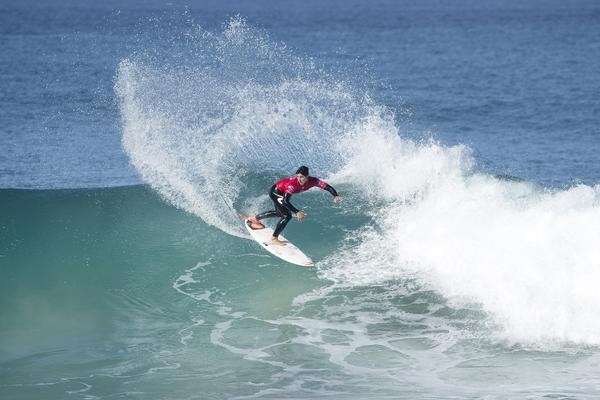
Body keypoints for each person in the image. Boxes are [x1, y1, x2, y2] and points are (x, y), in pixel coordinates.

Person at [248, 166, 342, 246]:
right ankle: (273, 239)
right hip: (276, 192)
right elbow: (285, 201)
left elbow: (327, 186)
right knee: (287, 216)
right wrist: (297, 212)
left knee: (279, 213)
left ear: (307, 176)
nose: (299, 179)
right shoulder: (292, 184)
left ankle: (255, 219)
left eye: (301, 177)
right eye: (298, 176)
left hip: (282, 194)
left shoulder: (314, 181)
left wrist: (335, 195)